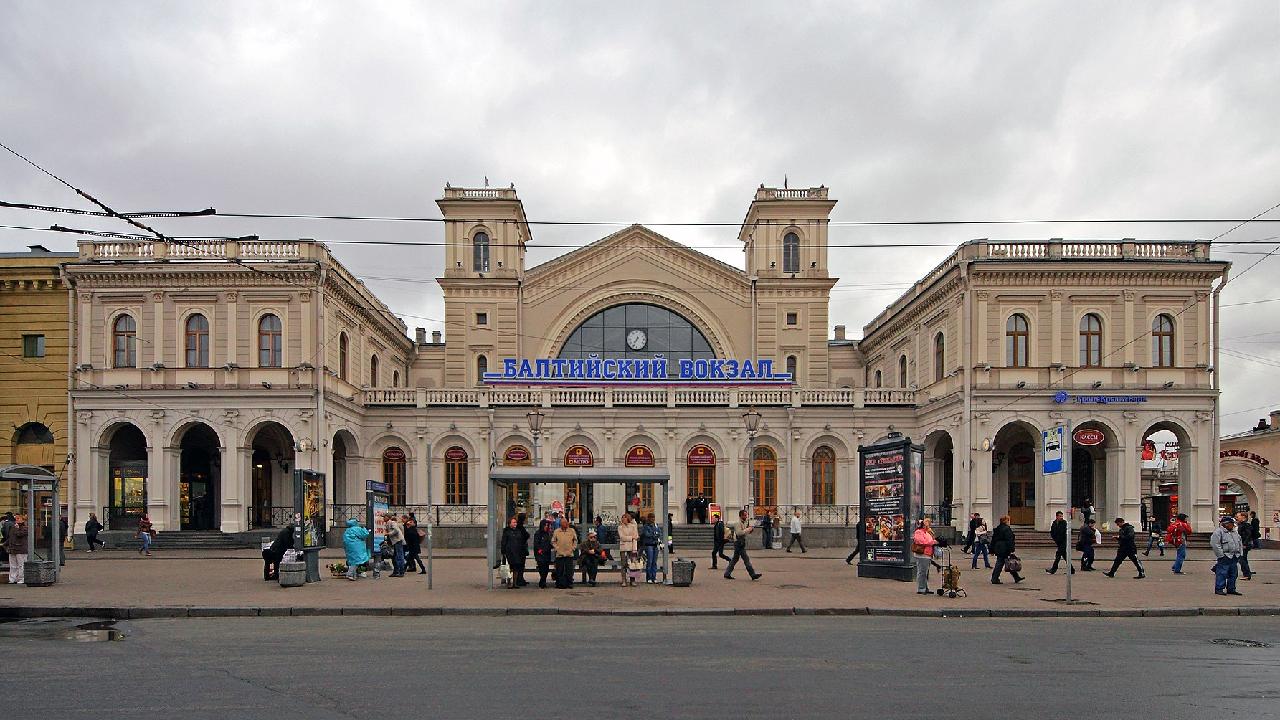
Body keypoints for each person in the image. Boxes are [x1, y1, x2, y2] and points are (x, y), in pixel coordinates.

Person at [723, 509, 762, 581]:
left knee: (735, 559)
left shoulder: (744, 522)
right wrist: (748, 529)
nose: (746, 516)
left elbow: (744, 532)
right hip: (738, 543)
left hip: (740, 542)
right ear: (740, 516)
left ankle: (727, 573)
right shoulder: (738, 523)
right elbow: (739, 533)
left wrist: (750, 530)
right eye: (744, 515)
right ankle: (752, 574)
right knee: (746, 559)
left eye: (746, 515)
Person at [1210, 515, 1244, 596]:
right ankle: (1219, 589)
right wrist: (1221, 555)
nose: (1233, 525)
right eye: (1231, 523)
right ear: (1225, 524)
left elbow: (1239, 543)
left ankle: (1231, 589)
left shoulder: (1234, 532)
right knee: (1222, 573)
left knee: (1233, 574)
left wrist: (1240, 553)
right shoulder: (1218, 532)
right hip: (1225, 556)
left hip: (1234, 556)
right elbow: (1215, 544)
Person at [989, 515, 1023, 584]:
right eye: (1008, 520)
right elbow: (1009, 540)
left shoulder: (998, 528)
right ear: (1006, 521)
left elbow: (993, 540)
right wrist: (1011, 550)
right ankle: (994, 578)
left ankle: (1016, 577)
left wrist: (991, 550)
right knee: (1001, 563)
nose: (1009, 521)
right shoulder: (1007, 529)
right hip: (1004, 548)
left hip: (998, 547)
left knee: (1008, 562)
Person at [911, 518, 938, 595]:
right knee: (922, 572)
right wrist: (932, 542)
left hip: (927, 554)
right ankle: (921, 588)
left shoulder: (927, 532)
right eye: (926, 525)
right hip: (922, 554)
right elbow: (921, 541)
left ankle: (925, 587)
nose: (928, 526)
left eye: (929, 524)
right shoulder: (918, 532)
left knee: (925, 572)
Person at [500, 516, 528, 589]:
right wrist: (503, 551)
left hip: (517, 552)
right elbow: (503, 542)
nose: (515, 523)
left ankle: (514, 583)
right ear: (510, 523)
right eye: (513, 522)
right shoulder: (506, 531)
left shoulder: (518, 531)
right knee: (509, 568)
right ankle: (509, 582)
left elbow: (522, 539)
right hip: (509, 553)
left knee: (516, 567)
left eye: (516, 522)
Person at [552, 517, 577, 589]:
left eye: (566, 522)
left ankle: (569, 583)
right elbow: (553, 541)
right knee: (559, 569)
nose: (566, 524)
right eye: (564, 523)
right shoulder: (556, 531)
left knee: (569, 570)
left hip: (569, 553)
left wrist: (573, 548)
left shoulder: (571, 531)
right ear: (561, 524)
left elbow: (575, 540)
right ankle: (559, 583)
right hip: (560, 554)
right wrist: (557, 549)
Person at [617, 511, 640, 586]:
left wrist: (632, 538)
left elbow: (636, 536)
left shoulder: (633, 526)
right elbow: (622, 537)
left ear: (628, 518)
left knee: (633, 564)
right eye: (622, 518)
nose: (623, 519)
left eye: (625, 517)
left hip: (632, 547)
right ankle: (624, 580)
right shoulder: (620, 527)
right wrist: (631, 537)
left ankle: (632, 580)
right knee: (623, 564)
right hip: (623, 547)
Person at [4, 515, 28, 584]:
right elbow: (11, 537)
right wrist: (5, 544)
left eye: (18, 518)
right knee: (13, 565)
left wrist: (17, 528)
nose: (16, 520)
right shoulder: (13, 527)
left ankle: (21, 578)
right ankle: (12, 579)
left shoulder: (25, 527)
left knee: (21, 565)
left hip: (21, 549)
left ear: (23, 520)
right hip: (13, 548)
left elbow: (19, 534)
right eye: (16, 518)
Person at [640, 513, 662, 584]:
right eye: (651, 517)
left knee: (654, 562)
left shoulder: (656, 525)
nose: (653, 519)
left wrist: (654, 534)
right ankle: (649, 577)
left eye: (653, 517)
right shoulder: (646, 526)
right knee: (649, 561)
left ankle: (654, 577)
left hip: (655, 545)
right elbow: (646, 534)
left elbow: (659, 533)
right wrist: (654, 534)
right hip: (648, 544)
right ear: (648, 518)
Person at [534, 518, 555, 588]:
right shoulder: (538, 533)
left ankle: (543, 580)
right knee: (542, 568)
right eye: (545, 525)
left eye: (547, 525)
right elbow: (536, 544)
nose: (546, 526)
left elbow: (550, 543)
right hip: (540, 554)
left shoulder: (548, 534)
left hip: (547, 553)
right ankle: (542, 581)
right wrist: (539, 551)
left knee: (546, 568)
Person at [1235, 511, 1254, 580]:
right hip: (1241, 544)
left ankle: (1247, 574)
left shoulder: (1245, 525)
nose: (1237, 517)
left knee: (1241, 559)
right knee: (1243, 559)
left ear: (1243, 517)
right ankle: (1247, 573)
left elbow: (1248, 535)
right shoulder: (1240, 524)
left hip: (1244, 544)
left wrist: (1244, 544)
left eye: (1238, 516)